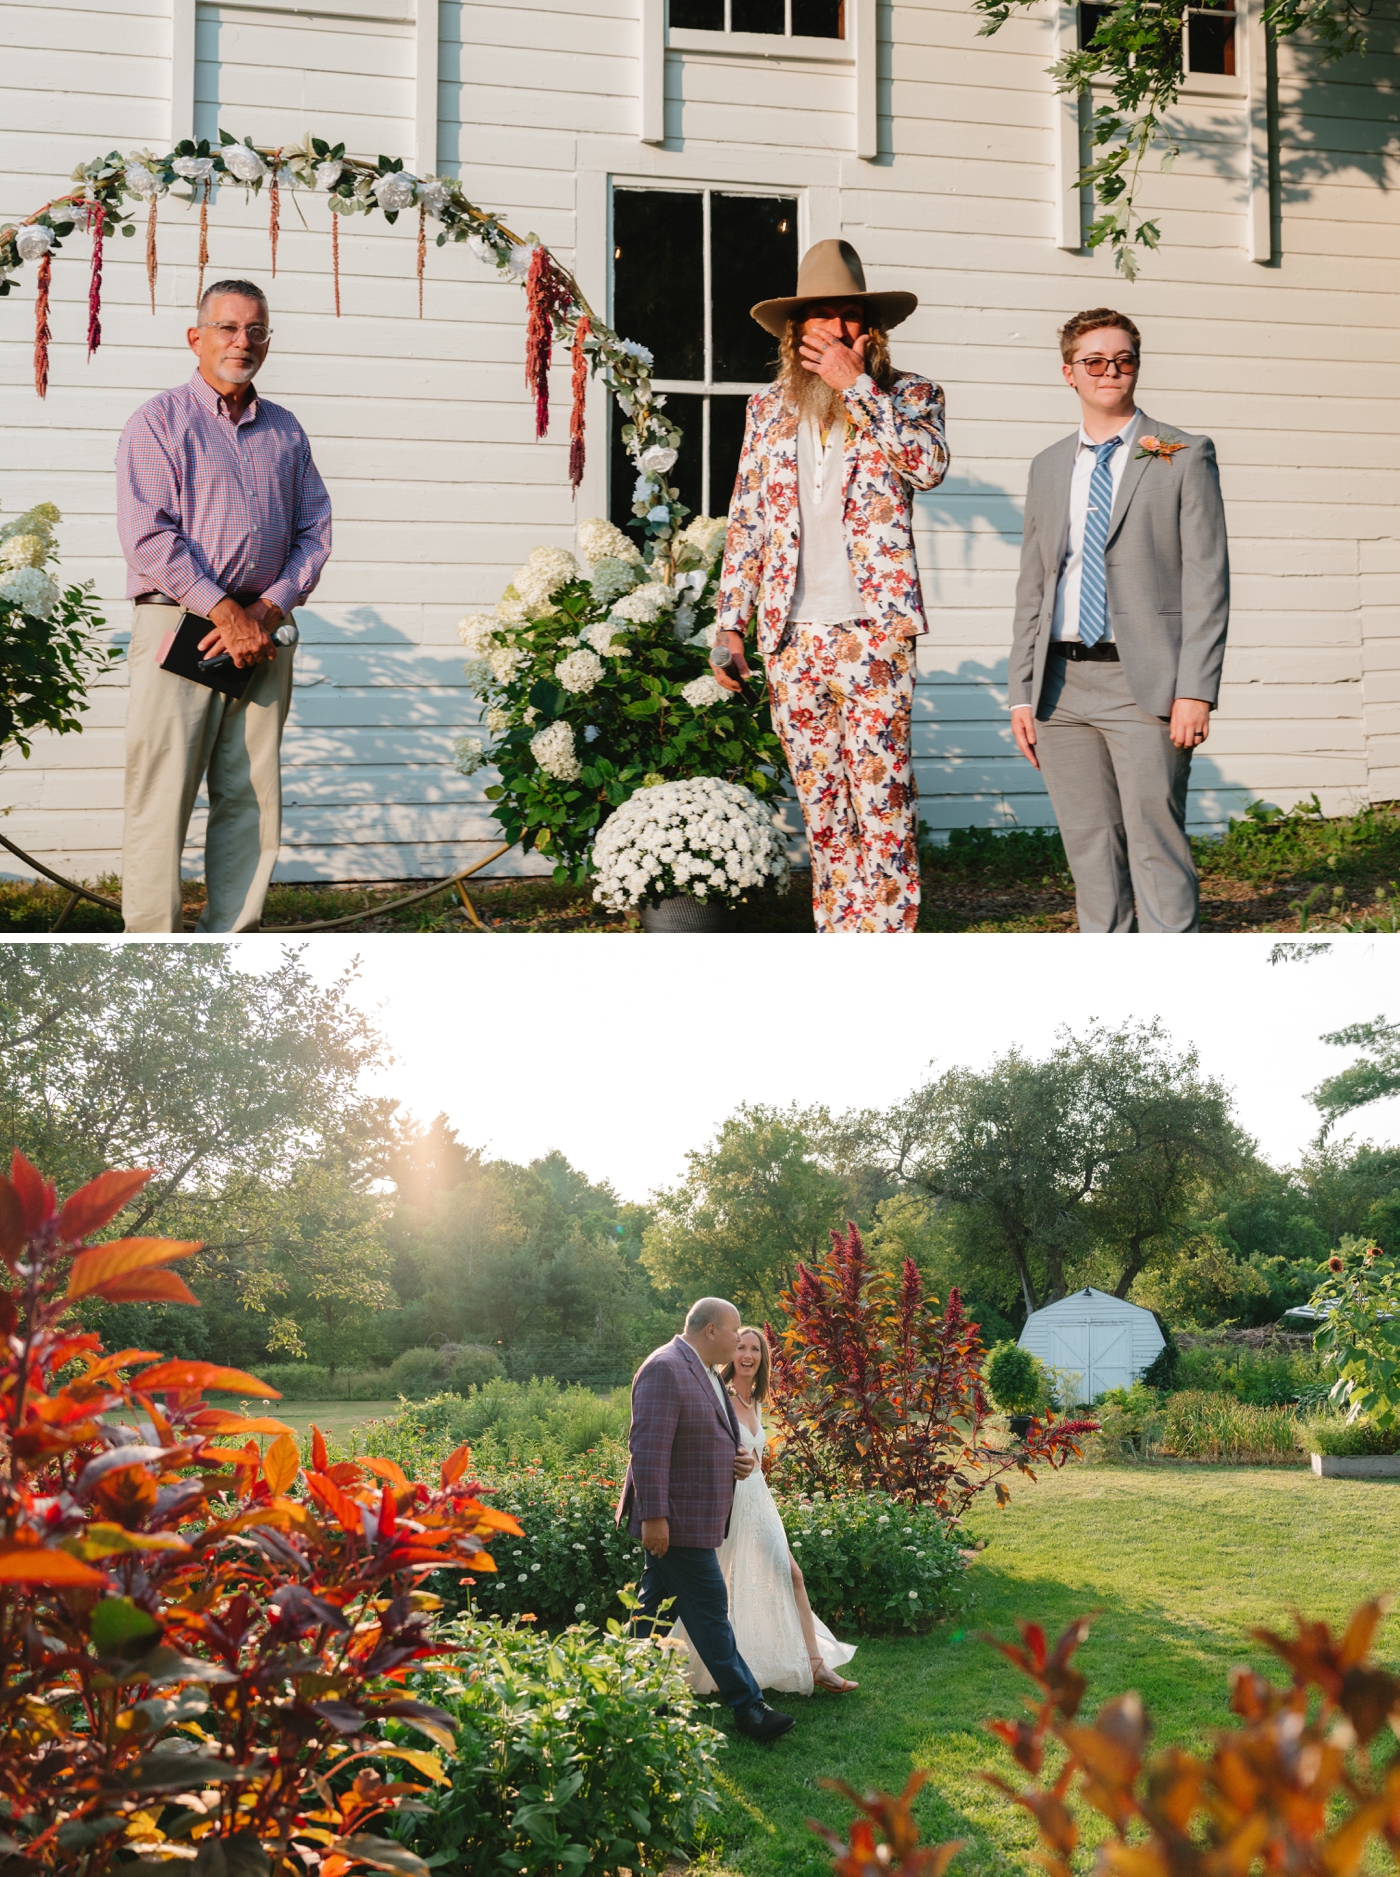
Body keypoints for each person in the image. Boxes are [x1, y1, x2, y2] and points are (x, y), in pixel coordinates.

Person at [712, 238, 949, 934]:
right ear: (797, 330)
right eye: (824, 316)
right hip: (790, 639)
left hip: (873, 634)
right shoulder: (766, 410)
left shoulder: (910, 396)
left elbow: (926, 466)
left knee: (883, 806)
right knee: (824, 812)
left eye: (852, 315)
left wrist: (858, 389)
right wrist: (731, 622)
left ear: (869, 329)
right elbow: (747, 519)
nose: (840, 329)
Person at [115, 278, 332, 933]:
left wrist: (266, 609)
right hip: (178, 627)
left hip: (264, 633)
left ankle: (231, 941)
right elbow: (148, 534)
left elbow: (314, 530)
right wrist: (224, 611)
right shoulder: (158, 422)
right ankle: (150, 946)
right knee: (162, 793)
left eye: (256, 330)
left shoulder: (286, 432)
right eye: (229, 328)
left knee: (250, 793)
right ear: (197, 337)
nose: (243, 341)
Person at [1007, 308, 1229, 933]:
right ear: (1068, 373)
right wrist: (1020, 693)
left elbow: (1208, 581)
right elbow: (1034, 584)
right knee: (1090, 851)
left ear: (1137, 365)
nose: (1111, 371)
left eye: (1123, 359)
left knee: (1156, 847)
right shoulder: (1048, 465)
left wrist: (1194, 689)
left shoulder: (1183, 455)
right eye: (1095, 361)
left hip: (1146, 684)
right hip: (1059, 690)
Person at [617, 1297, 796, 1744]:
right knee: (711, 1605)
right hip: (675, 1520)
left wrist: (733, 1460)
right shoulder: (665, 1367)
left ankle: (629, 1691)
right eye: (735, 1332)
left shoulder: (701, 1370)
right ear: (712, 1330)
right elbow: (648, 1448)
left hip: (694, 1516)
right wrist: (654, 1517)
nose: (740, 1341)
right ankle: (749, 1708)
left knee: (652, 1611)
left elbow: (702, 1434)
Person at [673, 1327, 858, 1697]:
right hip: (728, 1501)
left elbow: (755, 1459)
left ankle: (814, 1664)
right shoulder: (716, 1395)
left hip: (758, 1499)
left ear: (762, 1357)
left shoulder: (755, 1401)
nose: (746, 1354)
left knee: (792, 1575)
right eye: (739, 1346)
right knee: (723, 1584)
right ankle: (700, 1666)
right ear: (729, 1351)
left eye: (754, 1348)